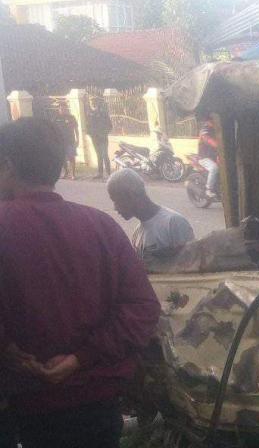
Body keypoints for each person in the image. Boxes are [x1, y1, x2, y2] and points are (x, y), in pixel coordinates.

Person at [0, 118, 160, 448]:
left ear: (8, 165)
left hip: (31, 407)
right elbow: (143, 309)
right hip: (98, 405)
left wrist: (8, 350)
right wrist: (81, 358)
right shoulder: (102, 226)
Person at [107, 168, 195, 263]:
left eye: (116, 201)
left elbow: (192, 264)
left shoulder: (174, 223)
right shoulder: (137, 235)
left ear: (131, 195)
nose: (115, 208)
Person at [87, 97, 112, 179]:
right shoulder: (90, 114)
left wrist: (104, 133)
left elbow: (109, 125)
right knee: (98, 155)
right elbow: (88, 126)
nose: (92, 104)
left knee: (105, 155)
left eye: (94, 102)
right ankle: (100, 173)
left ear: (97, 103)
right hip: (95, 138)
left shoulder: (103, 113)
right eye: (91, 102)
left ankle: (109, 173)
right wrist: (90, 134)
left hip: (103, 138)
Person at [54, 101, 79, 180]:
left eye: (64, 108)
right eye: (61, 108)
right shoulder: (56, 118)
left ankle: (73, 174)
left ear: (66, 109)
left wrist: (78, 139)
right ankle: (66, 172)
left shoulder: (71, 117)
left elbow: (76, 129)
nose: (62, 110)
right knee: (62, 158)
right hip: (60, 142)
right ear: (58, 109)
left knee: (71, 157)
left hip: (70, 141)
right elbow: (53, 129)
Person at [197, 115, 219, 198]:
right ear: (208, 121)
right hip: (204, 157)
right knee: (214, 168)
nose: (214, 122)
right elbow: (208, 140)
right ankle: (208, 189)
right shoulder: (204, 130)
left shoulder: (216, 130)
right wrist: (218, 145)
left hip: (214, 156)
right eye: (212, 121)